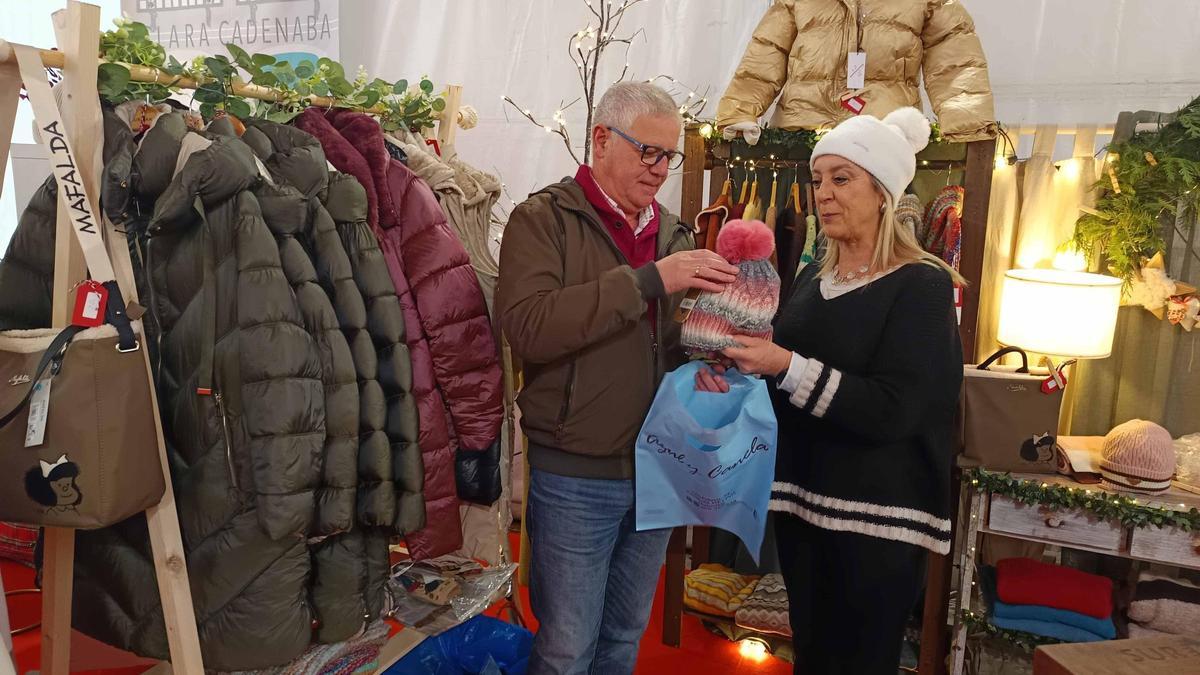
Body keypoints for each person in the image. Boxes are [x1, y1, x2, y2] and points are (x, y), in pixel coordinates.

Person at [696, 107, 965, 674]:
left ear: (884, 192)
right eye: (818, 180)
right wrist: (737, 376)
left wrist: (784, 363)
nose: (823, 194)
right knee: (813, 657)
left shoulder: (923, 286)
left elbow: (897, 409)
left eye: (842, 179)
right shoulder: (815, 285)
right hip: (803, 509)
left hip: (879, 522)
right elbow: (786, 385)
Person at [496, 82, 739, 674]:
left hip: (661, 468)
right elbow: (529, 327)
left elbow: (675, 345)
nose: (659, 170)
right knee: (566, 646)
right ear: (601, 140)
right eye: (647, 152)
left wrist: (708, 367)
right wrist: (649, 280)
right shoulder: (542, 220)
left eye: (669, 156)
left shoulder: (677, 235)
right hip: (576, 470)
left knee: (624, 638)